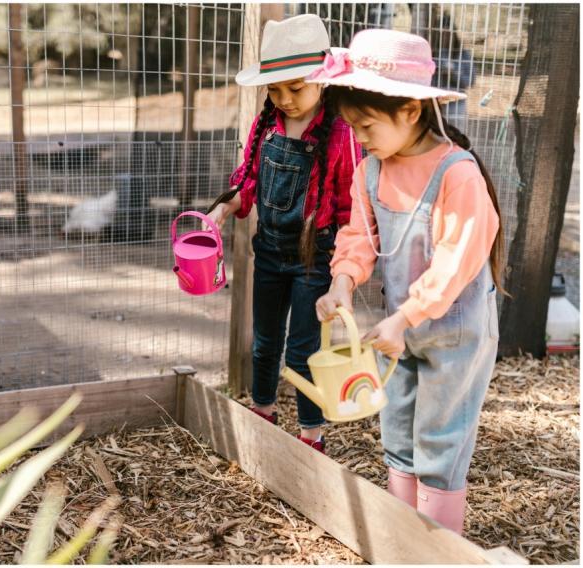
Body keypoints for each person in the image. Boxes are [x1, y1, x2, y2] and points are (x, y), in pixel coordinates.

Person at [307, 29, 505, 533]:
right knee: (396, 427)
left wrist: (405, 317)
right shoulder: (371, 171)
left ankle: (438, 547)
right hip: (399, 330)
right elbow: (358, 236)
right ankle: (403, 537)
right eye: (353, 127)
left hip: (454, 332)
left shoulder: (456, 174)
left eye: (367, 125)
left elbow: (454, 264)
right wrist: (342, 284)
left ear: (411, 111)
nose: (361, 138)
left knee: (441, 438)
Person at [206, 14, 361, 453]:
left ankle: (312, 436)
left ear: (322, 82)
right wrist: (224, 207)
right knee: (264, 343)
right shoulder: (267, 124)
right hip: (269, 253)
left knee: (303, 352)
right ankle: (262, 412)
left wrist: (343, 274)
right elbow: (249, 183)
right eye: (275, 89)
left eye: (296, 88)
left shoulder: (340, 134)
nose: (285, 99)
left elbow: (351, 208)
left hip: (315, 259)